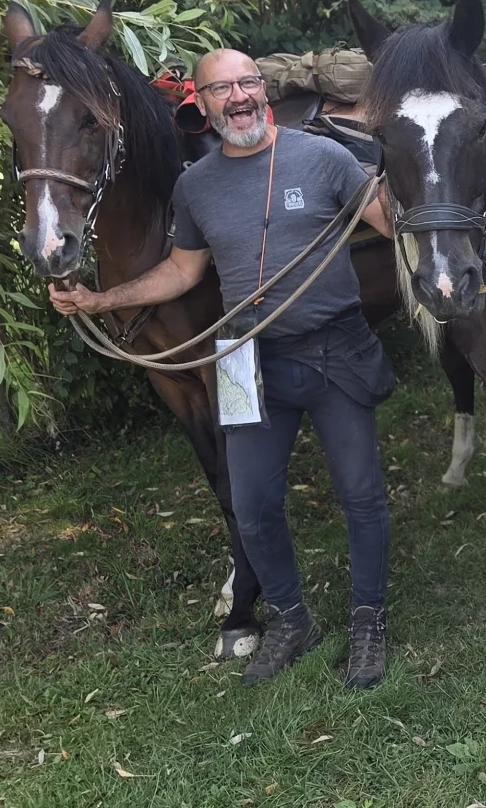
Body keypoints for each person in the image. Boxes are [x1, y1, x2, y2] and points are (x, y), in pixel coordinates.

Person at [49, 48, 398, 688]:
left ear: (262, 90)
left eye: (246, 84)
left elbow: (394, 223)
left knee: (361, 495)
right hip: (249, 358)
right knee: (253, 502)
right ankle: (292, 619)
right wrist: (99, 299)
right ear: (201, 104)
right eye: (221, 90)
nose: (237, 98)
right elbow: (183, 271)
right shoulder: (196, 186)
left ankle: (368, 621)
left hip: (336, 348)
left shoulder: (324, 158)